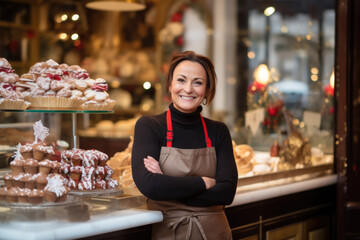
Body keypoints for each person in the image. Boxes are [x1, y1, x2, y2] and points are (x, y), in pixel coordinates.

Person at [131, 51, 238, 240]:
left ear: (206, 90)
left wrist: (167, 184)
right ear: (170, 85)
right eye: (181, 80)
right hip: (170, 233)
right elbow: (149, 185)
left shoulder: (219, 131)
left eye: (198, 82)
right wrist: (204, 182)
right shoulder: (149, 126)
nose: (188, 89)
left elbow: (226, 193)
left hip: (216, 234)